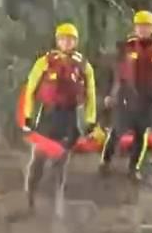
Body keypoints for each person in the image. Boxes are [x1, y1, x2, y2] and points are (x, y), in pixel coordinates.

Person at [21, 23, 98, 212]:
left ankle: (58, 201)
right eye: (63, 39)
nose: (67, 42)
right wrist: (28, 116)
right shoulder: (45, 62)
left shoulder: (83, 65)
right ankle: (29, 196)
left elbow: (91, 95)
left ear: (76, 42)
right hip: (48, 115)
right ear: (57, 41)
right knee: (38, 158)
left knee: (61, 161)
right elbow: (30, 89)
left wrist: (90, 120)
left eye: (70, 39)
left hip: (69, 116)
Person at [100, 10, 152, 183]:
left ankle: (134, 168)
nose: (143, 30)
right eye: (140, 26)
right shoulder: (125, 46)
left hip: (148, 96)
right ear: (135, 28)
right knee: (117, 130)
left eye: (147, 26)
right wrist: (110, 93)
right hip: (126, 94)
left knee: (141, 134)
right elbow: (114, 72)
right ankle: (105, 161)